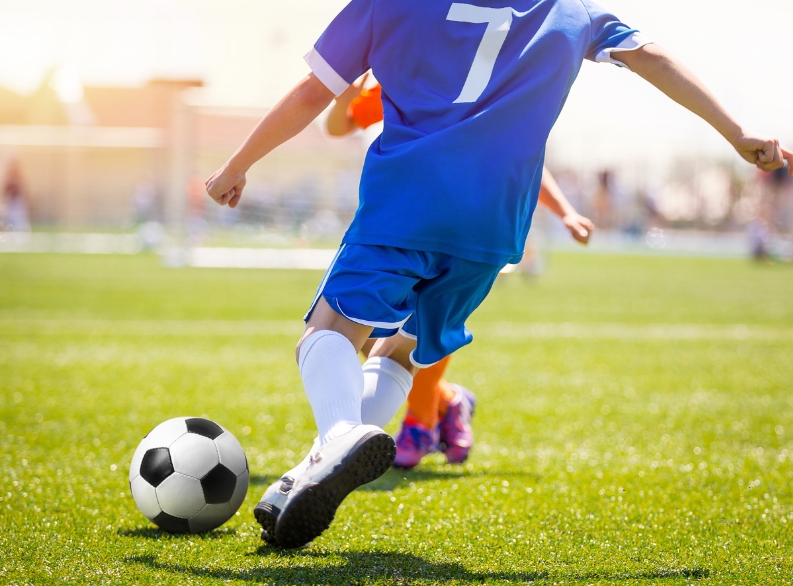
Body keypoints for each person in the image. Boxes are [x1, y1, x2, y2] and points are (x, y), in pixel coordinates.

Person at [207, 0, 790, 549]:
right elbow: (652, 56)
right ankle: (311, 471)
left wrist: (237, 165)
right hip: (493, 230)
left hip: (408, 201)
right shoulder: (569, 10)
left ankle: (335, 437)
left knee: (329, 333)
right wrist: (738, 133)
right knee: (399, 353)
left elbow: (316, 93)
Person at [325, 78, 595, 469]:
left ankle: (421, 422)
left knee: (426, 322)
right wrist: (345, 97)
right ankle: (448, 401)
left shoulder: (493, 78)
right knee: (371, 334)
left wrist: (565, 211)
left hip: (471, 224)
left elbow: (522, 154)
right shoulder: (411, 70)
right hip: (402, 216)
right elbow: (342, 124)